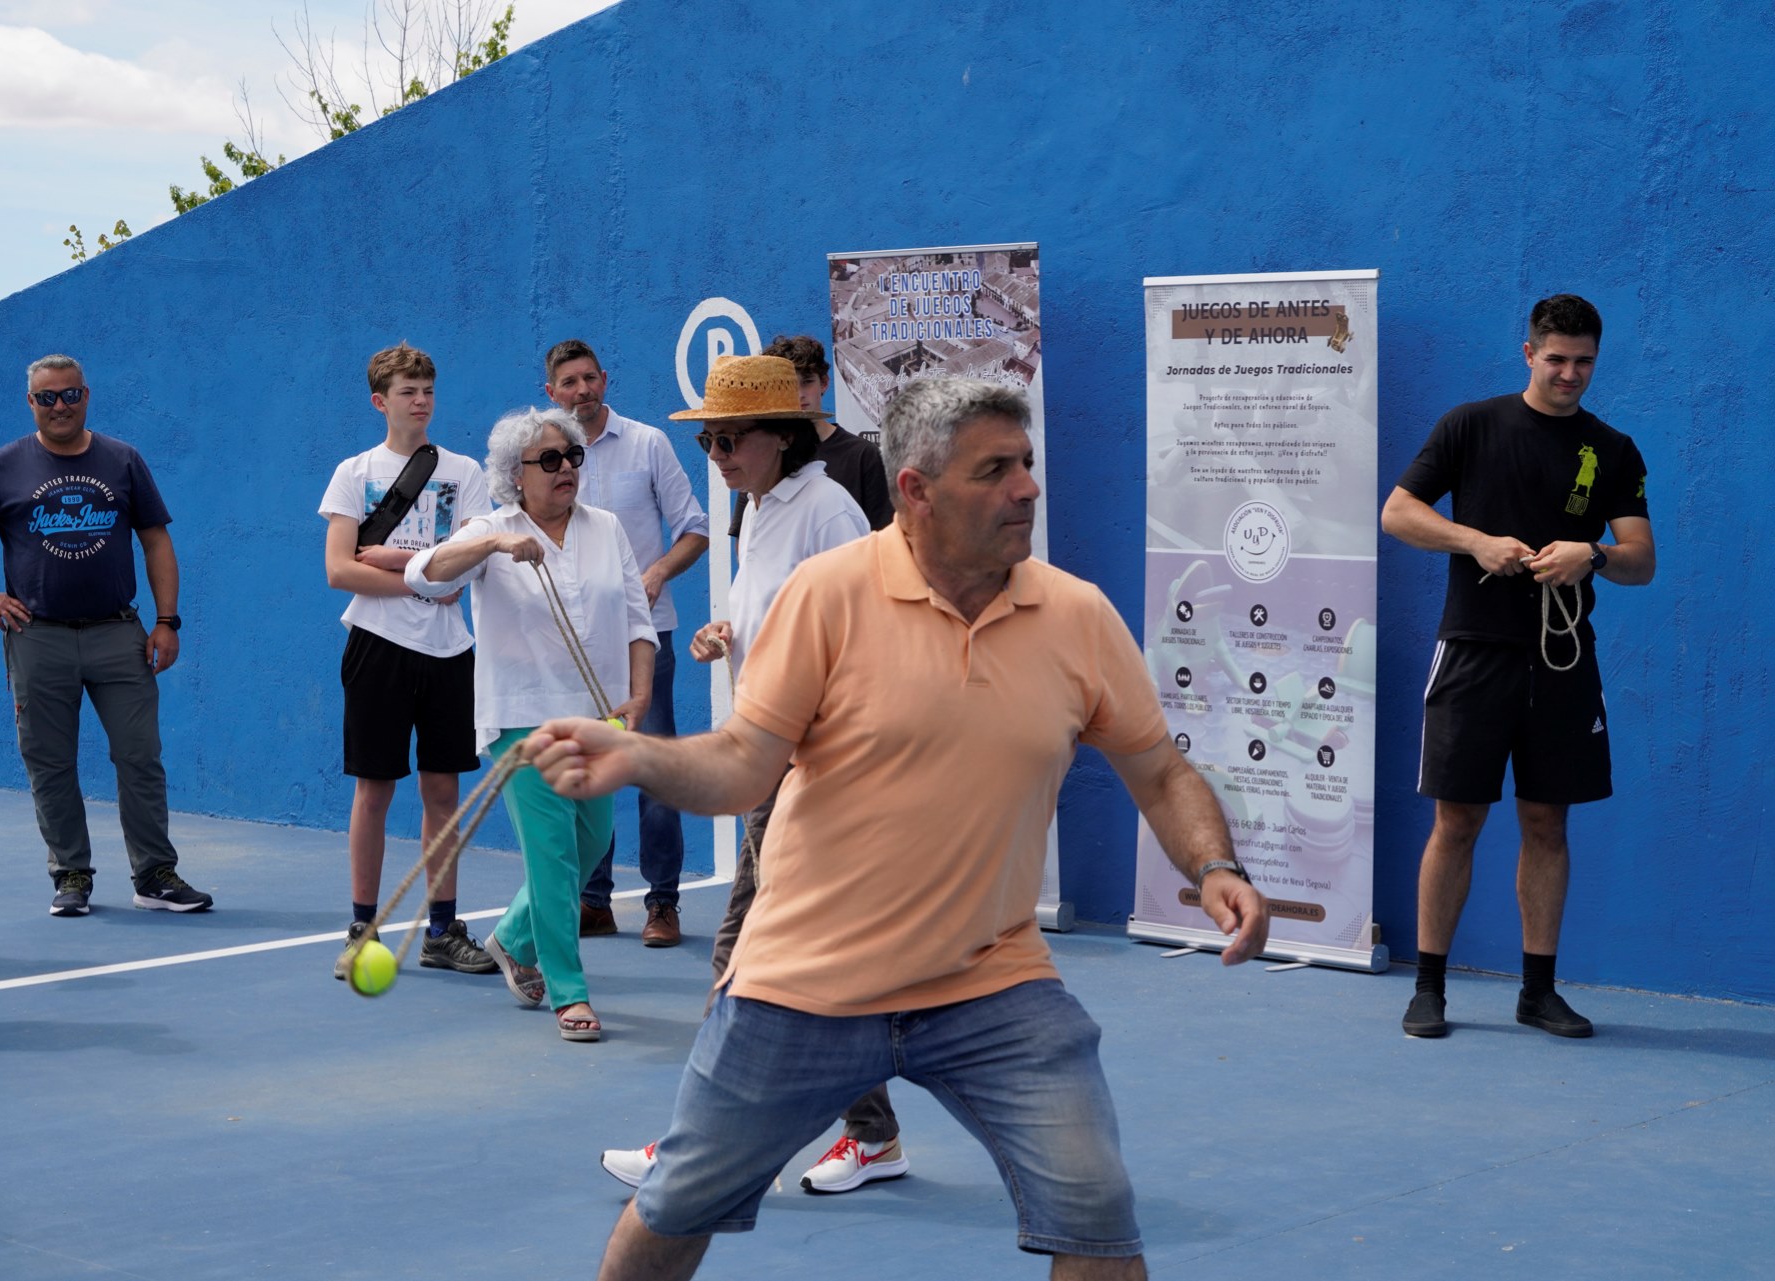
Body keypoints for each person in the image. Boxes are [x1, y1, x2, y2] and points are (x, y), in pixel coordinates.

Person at [526, 377, 1269, 1280]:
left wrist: (1215, 862)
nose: (1026, 488)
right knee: (675, 1209)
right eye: (994, 470)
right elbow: (742, 767)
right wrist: (639, 756)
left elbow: (1160, 769)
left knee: (1098, 1217)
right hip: (804, 985)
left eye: (1026, 465)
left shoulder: (1076, 615)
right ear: (915, 490)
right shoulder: (829, 596)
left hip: (992, 982)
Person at [600, 354, 887, 1194]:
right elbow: (794, 619)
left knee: (744, 951)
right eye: (710, 439)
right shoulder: (758, 507)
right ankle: (872, 1133)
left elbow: (863, 637)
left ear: (780, 437)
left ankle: (698, 1147)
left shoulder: (828, 510)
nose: (716, 453)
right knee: (807, 963)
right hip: (774, 754)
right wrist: (733, 633)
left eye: (730, 438)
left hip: (814, 764)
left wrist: (813, 750)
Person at [1382, 294, 1655, 1040]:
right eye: (1557, 358)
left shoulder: (1614, 449)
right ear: (1528, 352)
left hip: (1562, 661)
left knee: (1547, 821)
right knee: (1458, 818)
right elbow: (1399, 511)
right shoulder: (1470, 425)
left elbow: (1641, 560)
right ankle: (1429, 987)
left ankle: (1538, 991)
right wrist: (1474, 541)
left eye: (1584, 361)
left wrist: (1589, 553)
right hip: (1474, 649)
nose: (1570, 373)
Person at [407, 406, 655, 1042]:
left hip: (598, 718)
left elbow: (635, 619)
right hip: (521, 719)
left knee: (591, 845)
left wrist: (640, 693)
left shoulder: (607, 529)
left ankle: (514, 938)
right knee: (552, 858)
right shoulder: (492, 529)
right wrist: (490, 543)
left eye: (572, 456)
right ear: (515, 475)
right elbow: (425, 575)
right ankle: (568, 992)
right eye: (549, 460)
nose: (566, 468)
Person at [0, 355, 213, 916]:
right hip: (38, 636)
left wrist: (167, 620)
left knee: (140, 756)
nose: (59, 406)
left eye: (70, 395)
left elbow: (156, 541)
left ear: (86, 395)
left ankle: (154, 875)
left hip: (119, 632)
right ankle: (71, 876)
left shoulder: (122, 459)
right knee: (49, 760)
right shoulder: (4, 465)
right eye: (47, 398)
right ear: (31, 403)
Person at [319, 342, 499, 977]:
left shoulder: (464, 470)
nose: (421, 401)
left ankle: (443, 931)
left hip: (450, 648)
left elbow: (472, 553)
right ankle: (361, 929)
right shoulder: (354, 472)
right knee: (374, 790)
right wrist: (425, 577)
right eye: (407, 392)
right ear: (380, 401)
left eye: (427, 390)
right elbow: (340, 569)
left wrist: (396, 560)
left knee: (443, 790)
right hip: (376, 646)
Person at [544, 340, 709, 947]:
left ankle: (662, 904)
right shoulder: (543, 458)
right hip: (573, 639)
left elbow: (695, 528)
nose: (582, 390)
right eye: (569, 382)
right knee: (588, 767)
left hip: (646, 635)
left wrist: (658, 572)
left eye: (590, 378)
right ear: (552, 393)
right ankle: (594, 900)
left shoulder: (647, 444)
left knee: (653, 766)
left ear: (605, 380)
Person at [728, 334, 893, 538]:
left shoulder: (863, 455)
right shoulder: (764, 455)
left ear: (824, 383)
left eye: (806, 382)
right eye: (787, 385)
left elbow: (884, 538)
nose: (798, 394)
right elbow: (746, 544)